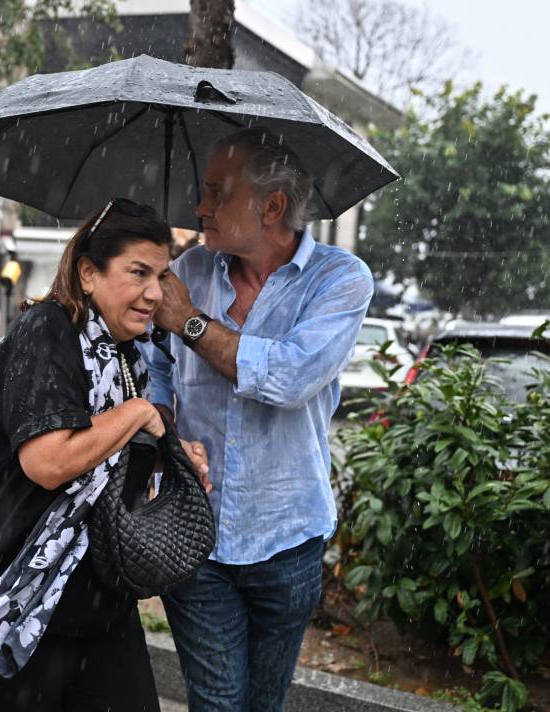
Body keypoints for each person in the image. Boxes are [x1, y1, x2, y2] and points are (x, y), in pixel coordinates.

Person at [0, 198, 206, 712]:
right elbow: (50, 462)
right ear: (88, 273)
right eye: (138, 273)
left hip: (99, 604)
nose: (155, 294)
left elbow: (112, 475)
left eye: (162, 276)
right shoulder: (46, 333)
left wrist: (173, 458)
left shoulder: (128, 356)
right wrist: (137, 414)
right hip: (16, 599)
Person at [145, 127, 374, 711]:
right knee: (219, 704)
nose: (200, 207)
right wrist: (168, 433)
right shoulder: (187, 269)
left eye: (218, 193)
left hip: (289, 536)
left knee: (264, 704)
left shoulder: (340, 281)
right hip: (198, 532)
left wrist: (192, 323)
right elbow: (155, 373)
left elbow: (290, 377)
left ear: (272, 207)